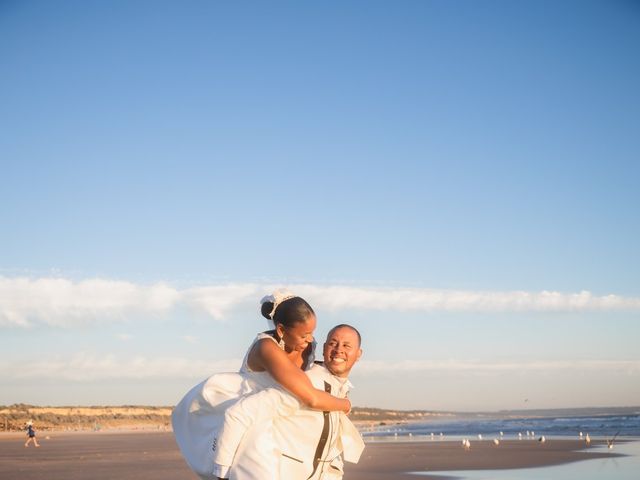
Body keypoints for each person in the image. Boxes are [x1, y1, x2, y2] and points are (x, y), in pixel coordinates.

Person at [172, 290, 351, 479]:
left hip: (278, 410)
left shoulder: (307, 345)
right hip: (247, 408)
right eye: (304, 334)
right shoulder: (266, 349)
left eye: (312, 332)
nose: (310, 339)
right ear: (281, 330)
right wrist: (345, 404)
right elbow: (311, 397)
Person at [212, 324, 365, 480]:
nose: (339, 349)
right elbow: (239, 413)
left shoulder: (340, 389)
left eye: (346, 345)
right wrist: (222, 473)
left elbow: (328, 451)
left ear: (358, 354)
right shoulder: (307, 384)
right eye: (333, 343)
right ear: (324, 348)